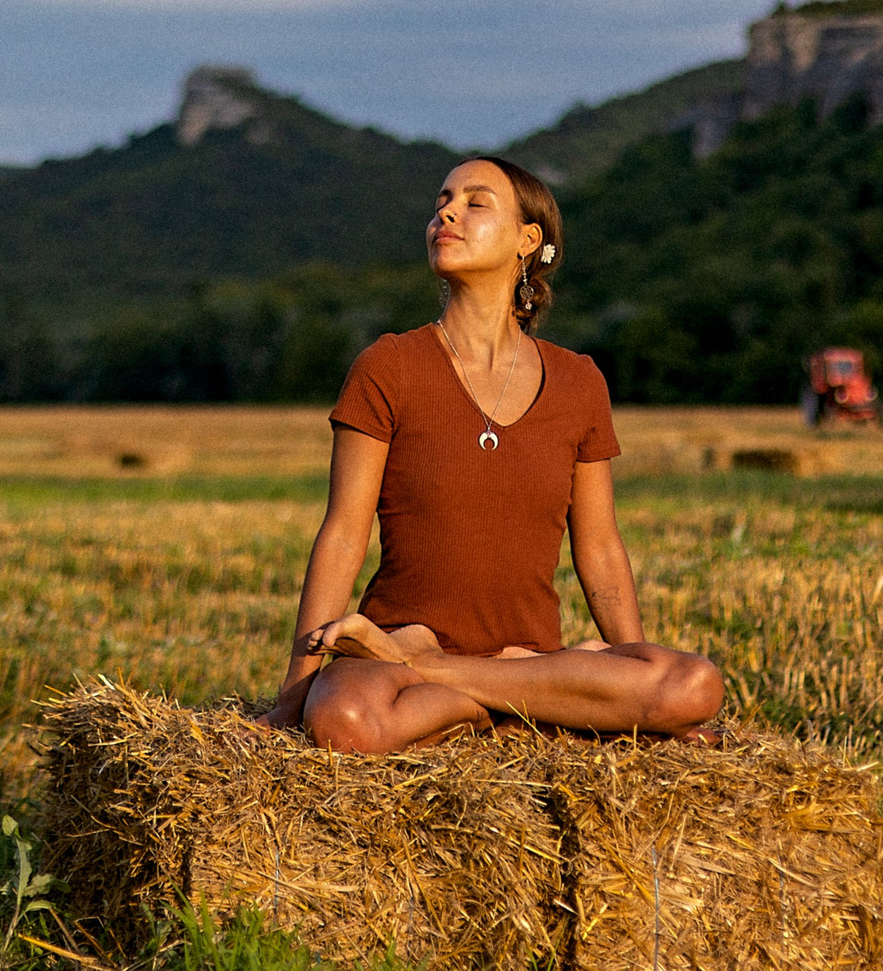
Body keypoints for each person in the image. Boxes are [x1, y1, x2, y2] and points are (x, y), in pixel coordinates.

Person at [255, 156, 725, 752]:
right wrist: (292, 699)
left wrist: (630, 673)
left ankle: (457, 680)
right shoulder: (388, 367)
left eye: (475, 203)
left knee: (694, 686)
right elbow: (344, 535)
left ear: (528, 240)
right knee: (344, 721)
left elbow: (601, 545)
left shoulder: (578, 381)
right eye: (442, 203)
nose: (446, 214)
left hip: (523, 657)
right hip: (401, 646)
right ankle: (526, 708)